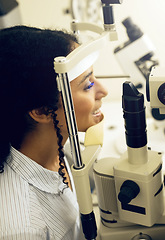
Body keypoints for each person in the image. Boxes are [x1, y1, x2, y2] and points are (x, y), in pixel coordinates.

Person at [0, 26, 108, 239]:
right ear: (41, 111)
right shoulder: (24, 229)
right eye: (87, 85)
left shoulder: (58, 149)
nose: (103, 91)